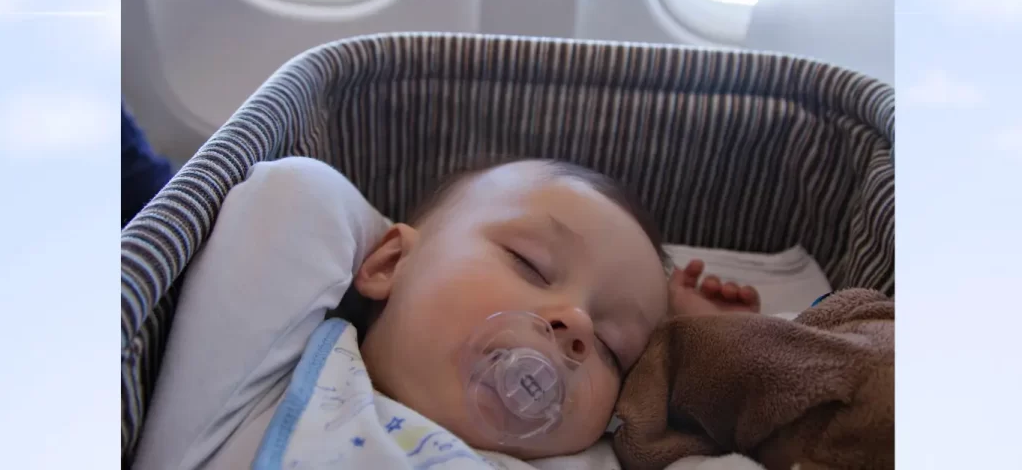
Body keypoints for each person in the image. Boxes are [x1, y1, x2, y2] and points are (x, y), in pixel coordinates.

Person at [135, 158, 761, 469]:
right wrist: (408, 254)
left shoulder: (589, 457)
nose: (575, 324)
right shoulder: (269, 395)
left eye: (613, 348)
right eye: (531, 264)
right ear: (384, 265)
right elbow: (295, 193)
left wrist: (698, 342)